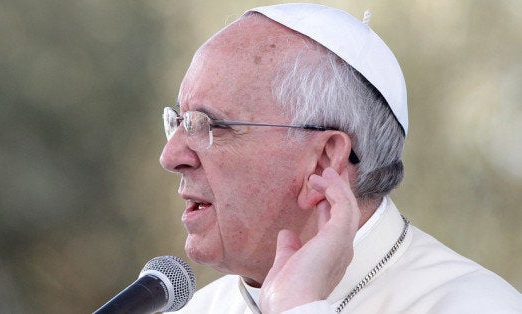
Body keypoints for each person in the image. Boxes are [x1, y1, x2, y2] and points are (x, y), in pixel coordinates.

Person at [159, 3, 521, 313]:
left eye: (208, 125)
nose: (171, 156)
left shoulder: (475, 304)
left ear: (324, 158)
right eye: (177, 122)